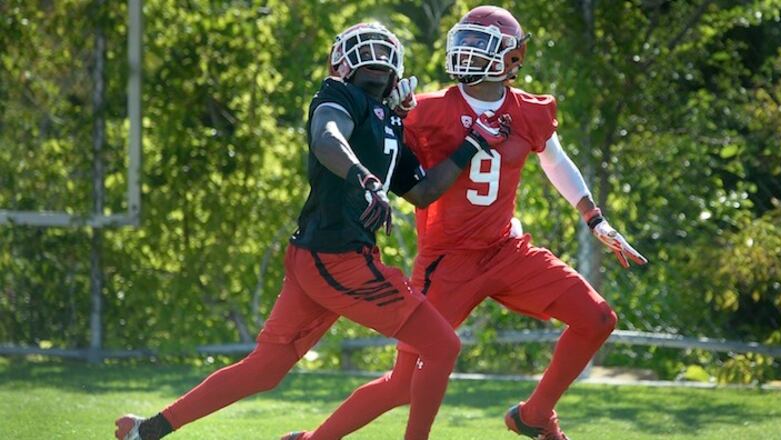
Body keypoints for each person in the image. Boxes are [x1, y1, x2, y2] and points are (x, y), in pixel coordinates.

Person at [114, 21, 511, 440]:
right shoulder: (339, 95)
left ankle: (148, 430)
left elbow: (424, 191)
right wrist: (363, 175)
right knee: (442, 346)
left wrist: (470, 145)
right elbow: (326, 137)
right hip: (339, 258)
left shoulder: (389, 121)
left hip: (324, 256)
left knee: (266, 369)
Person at [293, 6, 648, 440]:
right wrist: (387, 110)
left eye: (481, 46)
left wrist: (595, 219)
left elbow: (555, 161)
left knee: (597, 319)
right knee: (403, 382)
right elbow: (370, 138)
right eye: (465, 41)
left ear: (512, 58)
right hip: (447, 260)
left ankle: (534, 415)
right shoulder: (427, 109)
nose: (467, 52)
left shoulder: (530, 112)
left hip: (506, 249)